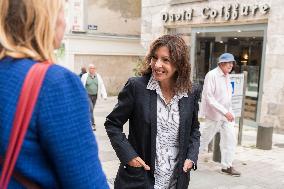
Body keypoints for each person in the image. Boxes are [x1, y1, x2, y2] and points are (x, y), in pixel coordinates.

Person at [0, 0, 109, 188]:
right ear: (44, 19)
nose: (65, 22)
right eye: (61, 12)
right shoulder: (54, 83)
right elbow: (87, 182)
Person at [105, 35, 200, 189]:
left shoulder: (190, 92)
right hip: (140, 179)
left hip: (176, 181)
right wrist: (129, 156)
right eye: (154, 58)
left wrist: (191, 156)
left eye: (165, 60)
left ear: (179, 64)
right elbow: (112, 124)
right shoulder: (136, 87)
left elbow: (194, 129)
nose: (157, 64)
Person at [199, 53, 241, 177]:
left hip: (227, 115)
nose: (231, 65)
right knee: (204, 139)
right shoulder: (211, 75)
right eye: (229, 63)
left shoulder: (227, 75)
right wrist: (225, 112)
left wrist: (230, 111)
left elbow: (227, 96)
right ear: (221, 63)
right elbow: (209, 98)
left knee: (230, 139)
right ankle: (187, 160)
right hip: (214, 115)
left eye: (232, 63)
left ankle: (227, 166)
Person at [81, 64, 107, 130]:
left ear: (95, 69)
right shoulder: (84, 76)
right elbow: (81, 85)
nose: (92, 69)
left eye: (93, 68)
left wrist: (104, 95)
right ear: (88, 69)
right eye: (90, 68)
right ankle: (93, 124)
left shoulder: (98, 76)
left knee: (90, 110)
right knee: (91, 109)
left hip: (95, 96)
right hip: (87, 95)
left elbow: (102, 85)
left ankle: (86, 121)